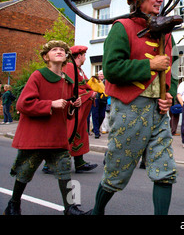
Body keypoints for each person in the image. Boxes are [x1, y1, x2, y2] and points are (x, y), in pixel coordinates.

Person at [91, 0, 178, 215]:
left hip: (159, 113)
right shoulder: (122, 27)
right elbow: (111, 69)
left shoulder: (166, 33)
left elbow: (172, 72)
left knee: (165, 171)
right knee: (117, 169)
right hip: (130, 108)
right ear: (138, 1)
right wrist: (149, 64)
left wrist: (169, 94)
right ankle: (97, 211)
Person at [3, 40, 89, 215]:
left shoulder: (68, 81)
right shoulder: (38, 75)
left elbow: (65, 111)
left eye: (62, 50)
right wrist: (50, 104)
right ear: (45, 56)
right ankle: (13, 204)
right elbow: (23, 104)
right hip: (36, 136)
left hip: (57, 136)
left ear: (66, 57)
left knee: (65, 171)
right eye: (54, 49)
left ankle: (70, 208)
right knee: (24, 173)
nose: (59, 51)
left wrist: (73, 106)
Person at [63, 45, 98, 173]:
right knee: (69, 133)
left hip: (82, 106)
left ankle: (79, 162)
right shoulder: (70, 67)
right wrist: (89, 93)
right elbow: (70, 88)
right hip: (73, 107)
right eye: (84, 55)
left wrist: (93, 90)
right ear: (79, 56)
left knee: (80, 133)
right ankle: (51, 164)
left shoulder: (79, 70)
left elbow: (85, 85)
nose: (85, 57)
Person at [90, 70, 108, 138]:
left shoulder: (105, 81)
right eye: (100, 74)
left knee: (102, 115)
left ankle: (95, 129)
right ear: (98, 74)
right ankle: (96, 132)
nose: (101, 76)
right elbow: (89, 87)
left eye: (103, 74)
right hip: (96, 99)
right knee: (95, 115)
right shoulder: (94, 80)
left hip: (103, 99)